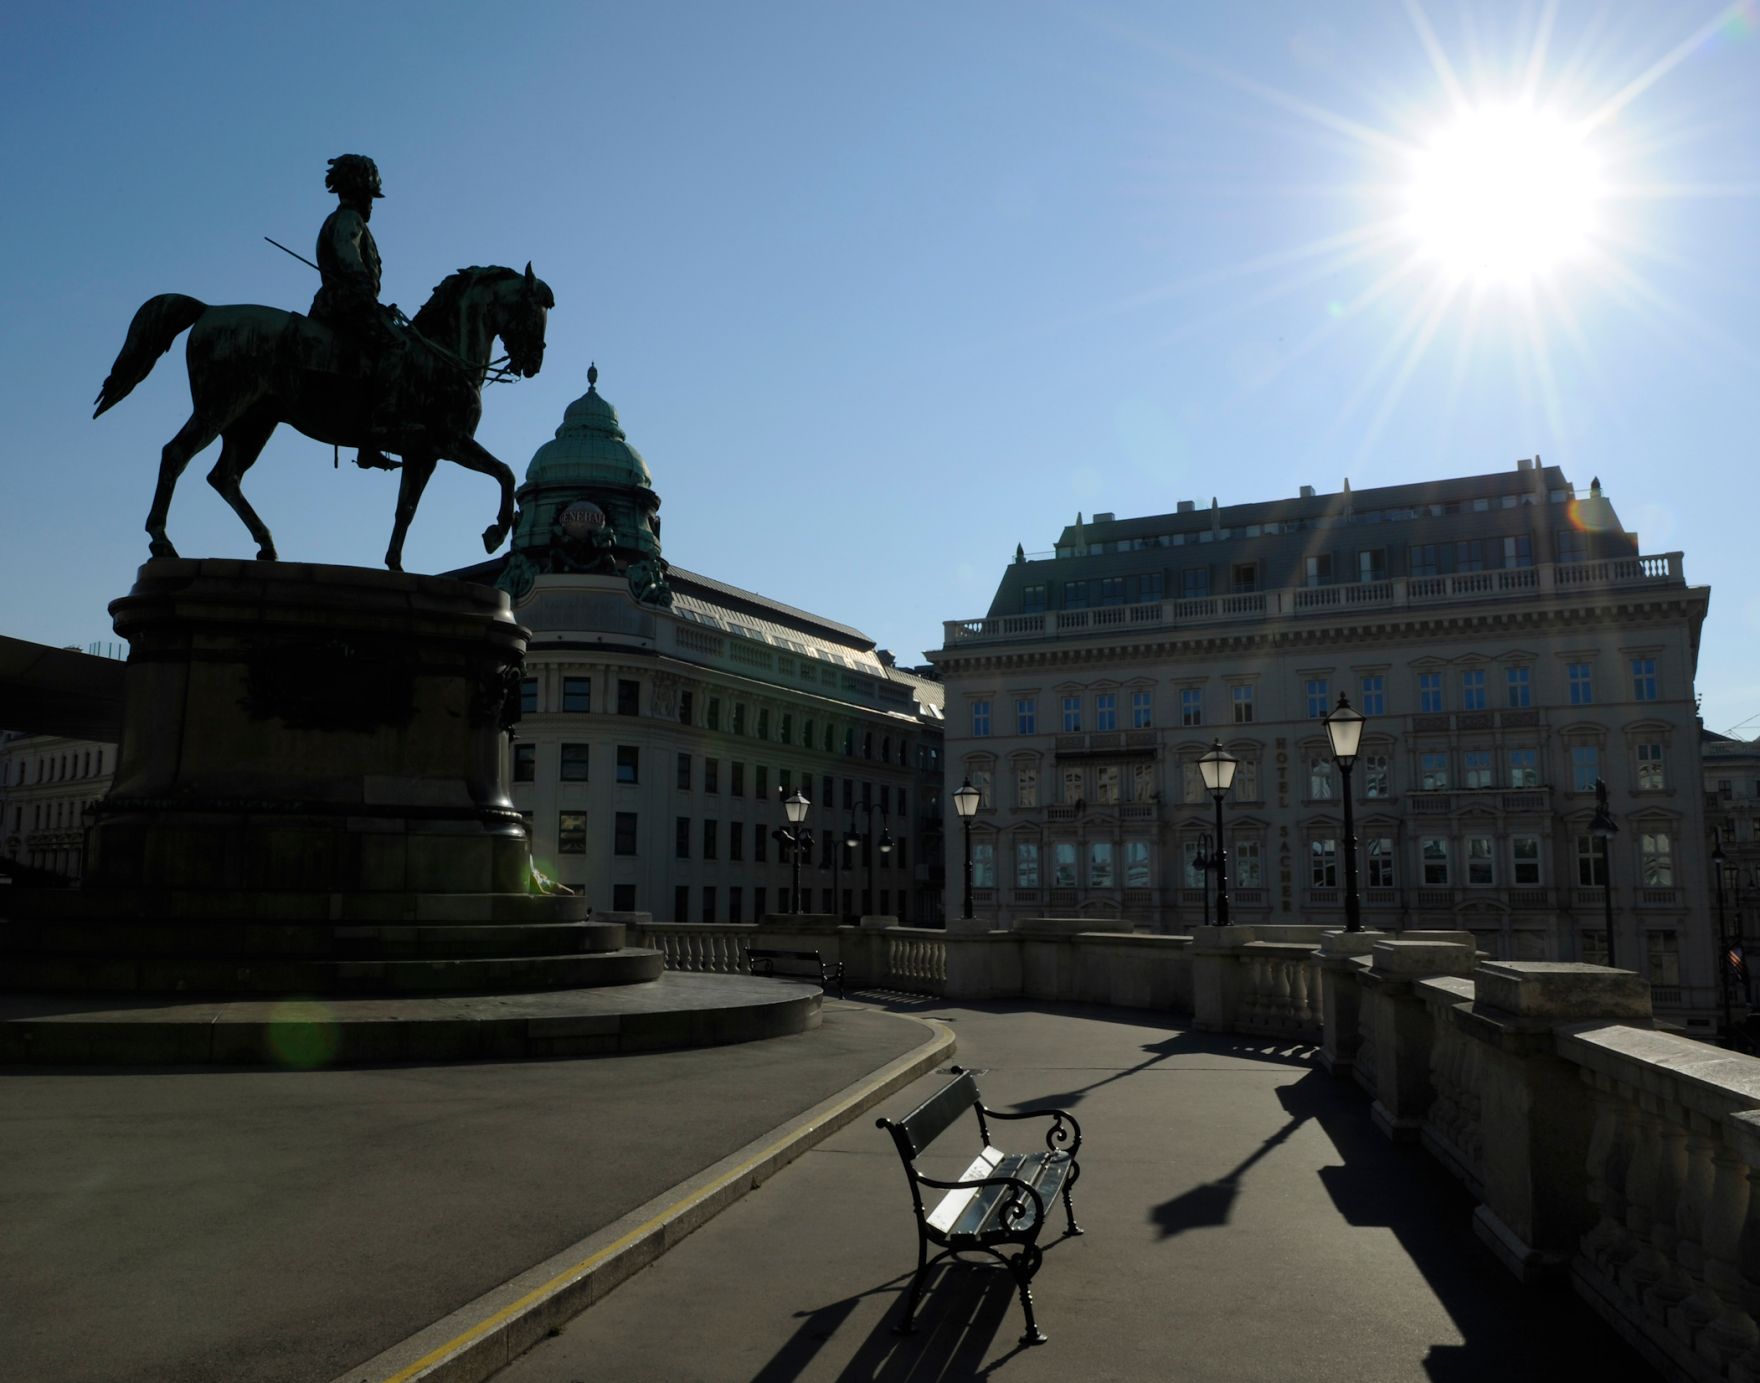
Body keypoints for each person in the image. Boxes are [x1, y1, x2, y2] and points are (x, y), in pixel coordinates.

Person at [309, 154, 406, 470]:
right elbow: (349, 257)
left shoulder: (348, 220)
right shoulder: (349, 221)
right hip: (345, 303)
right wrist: (364, 291)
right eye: (370, 197)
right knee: (397, 346)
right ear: (359, 193)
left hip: (351, 301)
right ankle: (379, 427)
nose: (372, 204)